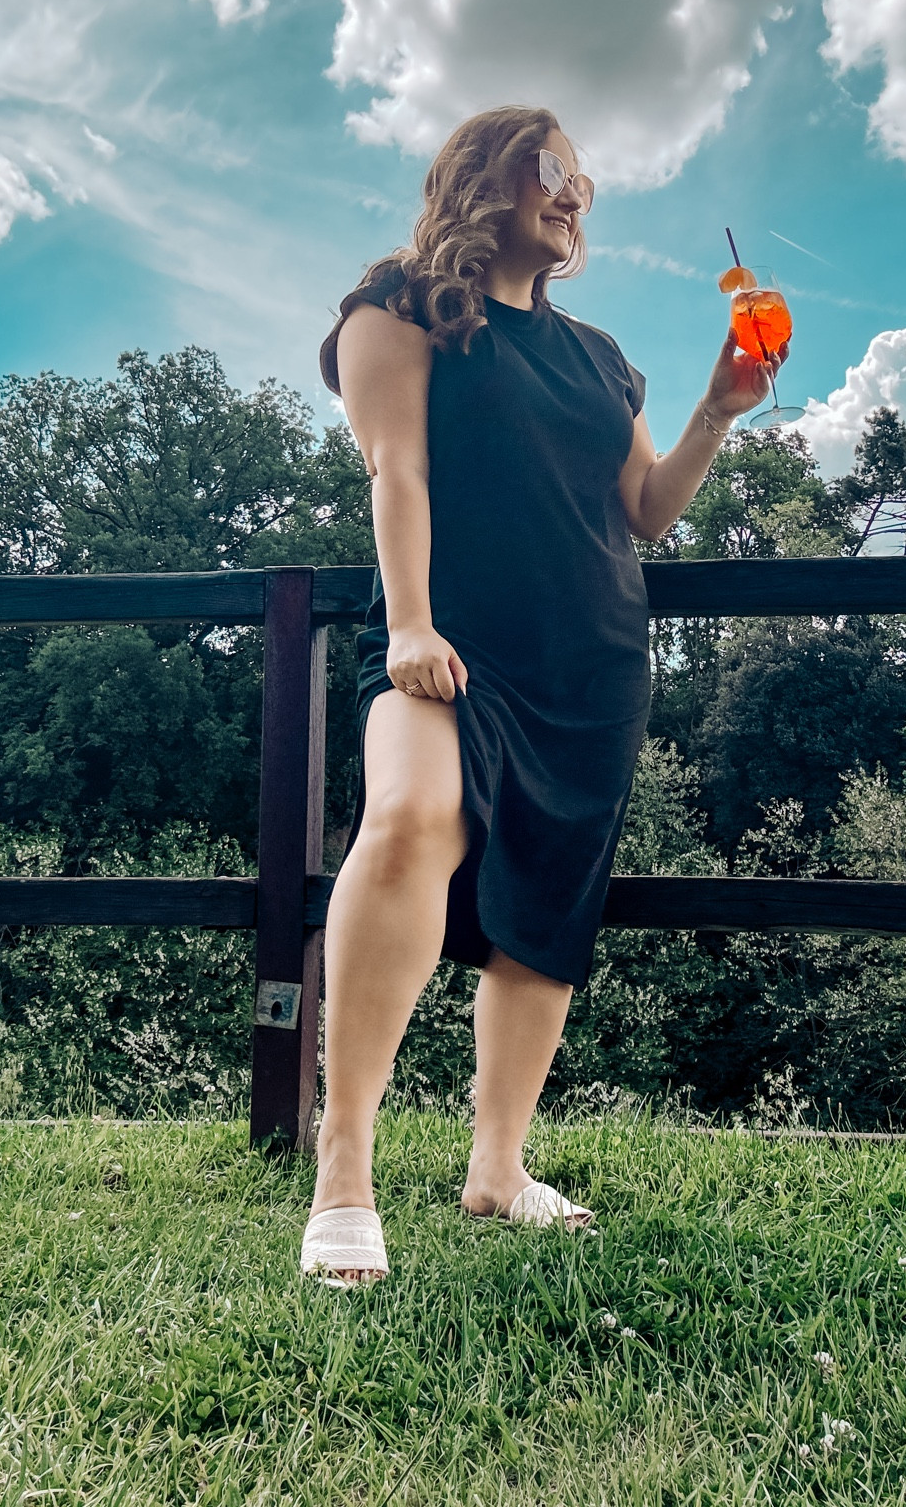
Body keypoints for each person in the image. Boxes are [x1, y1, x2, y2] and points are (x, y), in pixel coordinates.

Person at [302, 105, 782, 1287]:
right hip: (445, 644)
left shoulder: (601, 356)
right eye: (553, 168)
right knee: (408, 817)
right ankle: (343, 1165)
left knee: (552, 907)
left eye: (584, 180)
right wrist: (408, 622)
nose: (575, 194)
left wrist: (716, 410)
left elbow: (645, 510)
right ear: (487, 175)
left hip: (592, 663)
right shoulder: (396, 307)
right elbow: (396, 467)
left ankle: (498, 1166)